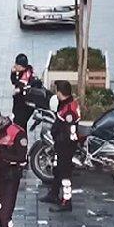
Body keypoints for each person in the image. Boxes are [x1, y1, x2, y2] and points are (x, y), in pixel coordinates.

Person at [41, 80, 80, 213]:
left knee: (65, 174)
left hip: (65, 147)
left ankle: (66, 202)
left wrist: (62, 141)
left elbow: (70, 131)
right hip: (60, 146)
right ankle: (53, 193)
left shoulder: (69, 110)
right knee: (57, 169)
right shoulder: (66, 104)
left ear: (59, 92)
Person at [10, 54, 36, 130]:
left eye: (16, 65)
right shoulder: (28, 69)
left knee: (18, 126)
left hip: (23, 105)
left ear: (20, 66)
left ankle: (21, 141)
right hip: (23, 105)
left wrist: (17, 90)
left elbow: (18, 84)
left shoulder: (25, 75)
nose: (14, 66)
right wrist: (13, 73)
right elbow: (14, 82)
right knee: (21, 126)